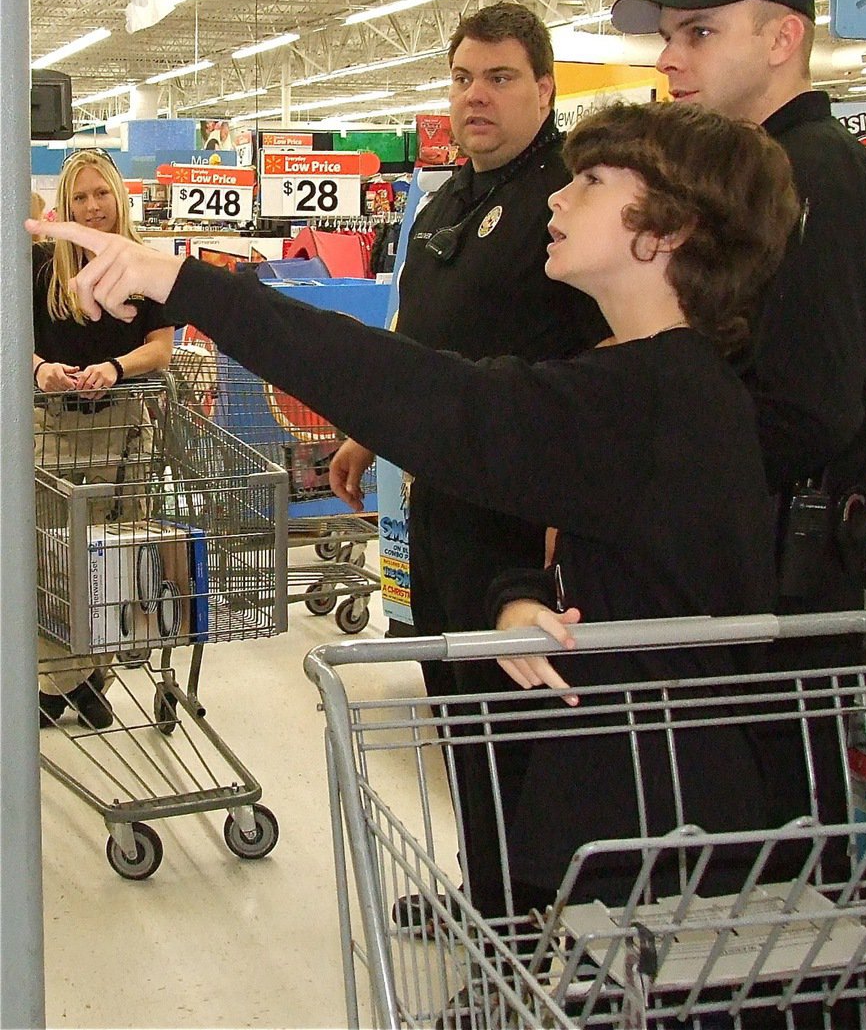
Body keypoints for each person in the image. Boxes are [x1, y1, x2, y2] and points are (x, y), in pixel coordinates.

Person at [30, 98, 798, 912]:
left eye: (593, 182)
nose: (558, 199)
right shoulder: (659, 382)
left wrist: (187, 287)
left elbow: (433, 399)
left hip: (669, 850)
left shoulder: (652, 398)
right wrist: (520, 595)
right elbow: (617, 543)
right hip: (636, 814)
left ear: (666, 231)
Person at [611, 0, 866, 615]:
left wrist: (651, 475)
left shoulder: (808, 177)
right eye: (667, 36)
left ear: (783, 40)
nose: (668, 58)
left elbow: (808, 411)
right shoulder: (784, 171)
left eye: (699, 34)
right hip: (765, 556)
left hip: (777, 576)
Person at [329, 2, 608, 661]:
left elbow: (607, 358)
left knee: (511, 724)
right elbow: (420, 333)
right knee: (454, 708)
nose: (475, 95)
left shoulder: (573, 199)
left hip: (524, 517)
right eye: (461, 78)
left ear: (544, 90)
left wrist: (572, 512)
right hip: (439, 502)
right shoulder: (445, 201)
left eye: (500, 77)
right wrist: (370, 430)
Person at [32, 148, 174, 730]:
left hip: (122, 427)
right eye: (80, 196)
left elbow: (160, 347)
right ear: (66, 204)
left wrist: (115, 367)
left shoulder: (148, 266)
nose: (92, 207)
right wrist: (41, 370)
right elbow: (14, 341)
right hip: (52, 428)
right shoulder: (41, 267)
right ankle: (63, 678)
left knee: (113, 556)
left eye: (101, 193)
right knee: (50, 555)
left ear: (119, 196)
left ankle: (78, 680)